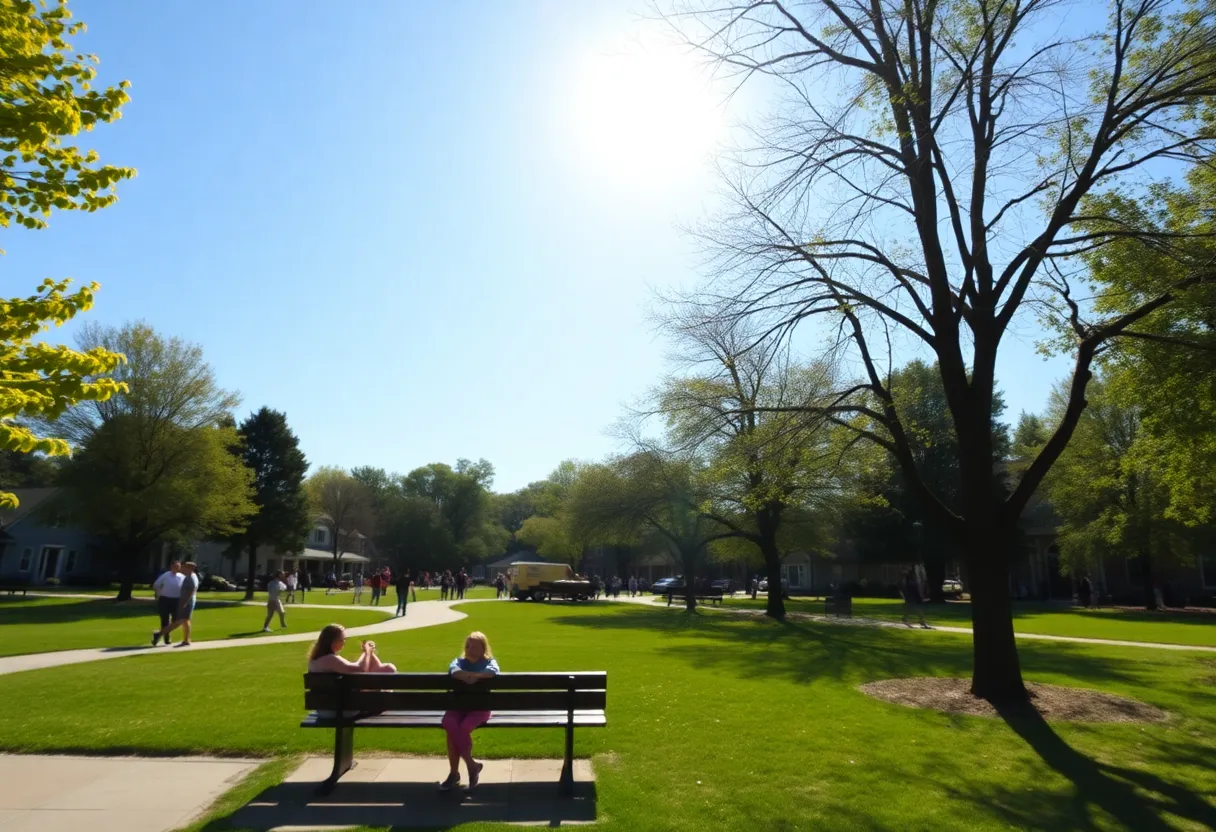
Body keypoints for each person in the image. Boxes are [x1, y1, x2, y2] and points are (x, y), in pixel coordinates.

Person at [439, 631, 500, 792]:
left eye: (474, 646)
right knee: (449, 723)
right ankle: (472, 766)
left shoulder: (489, 662)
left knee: (463, 727)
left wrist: (475, 676)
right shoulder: (459, 661)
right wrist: (468, 677)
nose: (469, 649)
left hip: (480, 709)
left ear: (483, 648)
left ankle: (454, 774)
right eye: (467, 646)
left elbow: (493, 671)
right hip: (458, 707)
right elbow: (454, 671)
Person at [157, 561, 199, 646]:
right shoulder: (187, 576)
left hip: (186, 602)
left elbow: (192, 590)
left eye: (184, 567)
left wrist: (184, 602)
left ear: (189, 568)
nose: (181, 568)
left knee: (180, 621)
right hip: (183, 601)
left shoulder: (190, 577)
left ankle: (160, 634)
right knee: (182, 621)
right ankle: (185, 639)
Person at [151, 561, 184, 646]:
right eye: (175, 566)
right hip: (165, 599)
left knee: (176, 620)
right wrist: (158, 594)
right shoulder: (166, 575)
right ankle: (166, 637)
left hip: (177, 600)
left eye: (178, 567)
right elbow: (156, 585)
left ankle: (159, 634)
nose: (177, 568)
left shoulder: (181, 576)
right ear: (171, 566)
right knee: (165, 619)